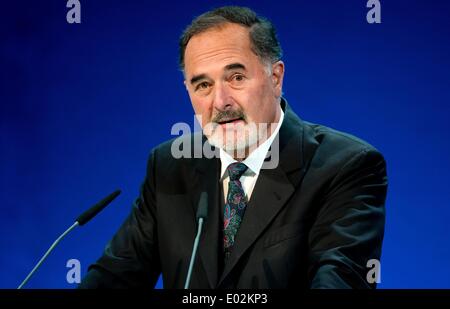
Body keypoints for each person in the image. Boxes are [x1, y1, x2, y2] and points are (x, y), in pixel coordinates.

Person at [79, 6, 387, 289]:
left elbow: (340, 281)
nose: (220, 102)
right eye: (203, 85)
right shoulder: (170, 166)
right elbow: (114, 277)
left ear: (276, 77)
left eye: (236, 77)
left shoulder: (345, 166)